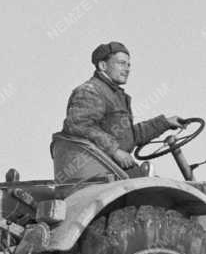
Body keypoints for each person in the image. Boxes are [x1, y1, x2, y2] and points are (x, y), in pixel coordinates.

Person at [50, 41, 181, 182]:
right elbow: (80, 125)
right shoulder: (90, 91)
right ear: (103, 66)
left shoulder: (114, 95)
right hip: (102, 171)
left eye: (128, 65)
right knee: (157, 192)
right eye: (121, 63)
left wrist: (164, 123)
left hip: (112, 168)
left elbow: (127, 135)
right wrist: (115, 151)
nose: (127, 69)